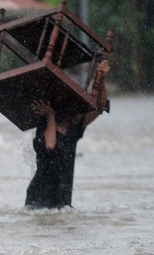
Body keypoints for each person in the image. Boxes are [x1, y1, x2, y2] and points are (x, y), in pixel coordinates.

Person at [25, 60, 110, 209]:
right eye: (78, 109)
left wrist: (102, 80)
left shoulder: (74, 129)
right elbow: (50, 145)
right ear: (66, 109)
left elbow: (100, 107)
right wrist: (50, 115)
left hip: (62, 196)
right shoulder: (44, 126)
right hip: (39, 196)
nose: (82, 113)